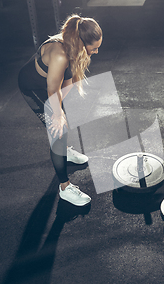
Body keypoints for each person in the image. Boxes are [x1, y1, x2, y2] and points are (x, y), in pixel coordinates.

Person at [18, 14, 102, 205]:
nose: (96, 52)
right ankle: (64, 187)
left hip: (50, 88)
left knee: (63, 121)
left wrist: (61, 111)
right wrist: (56, 115)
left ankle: (64, 150)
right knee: (58, 133)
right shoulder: (60, 54)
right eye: (94, 48)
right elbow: (52, 90)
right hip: (33, 88)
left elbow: (67, 83)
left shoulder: (74, 46)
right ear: (82, 43)